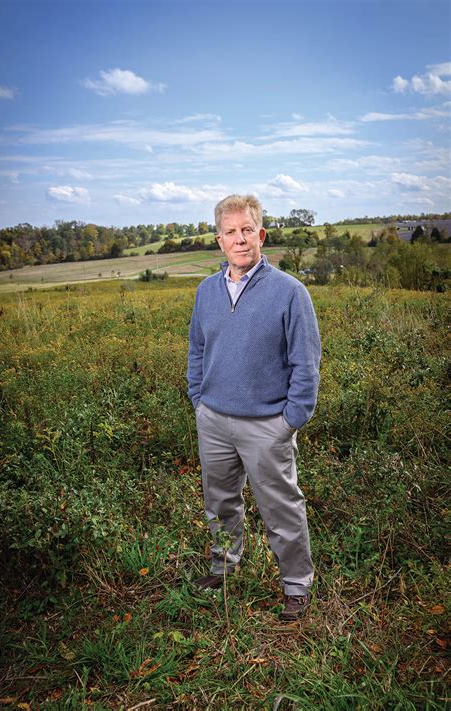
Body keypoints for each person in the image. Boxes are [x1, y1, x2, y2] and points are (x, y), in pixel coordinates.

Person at [187, 194, 321, 620]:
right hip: (214, 420)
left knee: (281, 507)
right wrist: (199, 400)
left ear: (261, 235)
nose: (240, 239)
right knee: (220, 502)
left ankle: (296, 586)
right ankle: (224, 566)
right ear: (219, 241)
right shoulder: (206, 291)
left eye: (248, 230)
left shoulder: (289, 293)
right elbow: (197, 350)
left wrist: (290, 421)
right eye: (231, 232)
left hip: (267, 425)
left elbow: (306, 362)